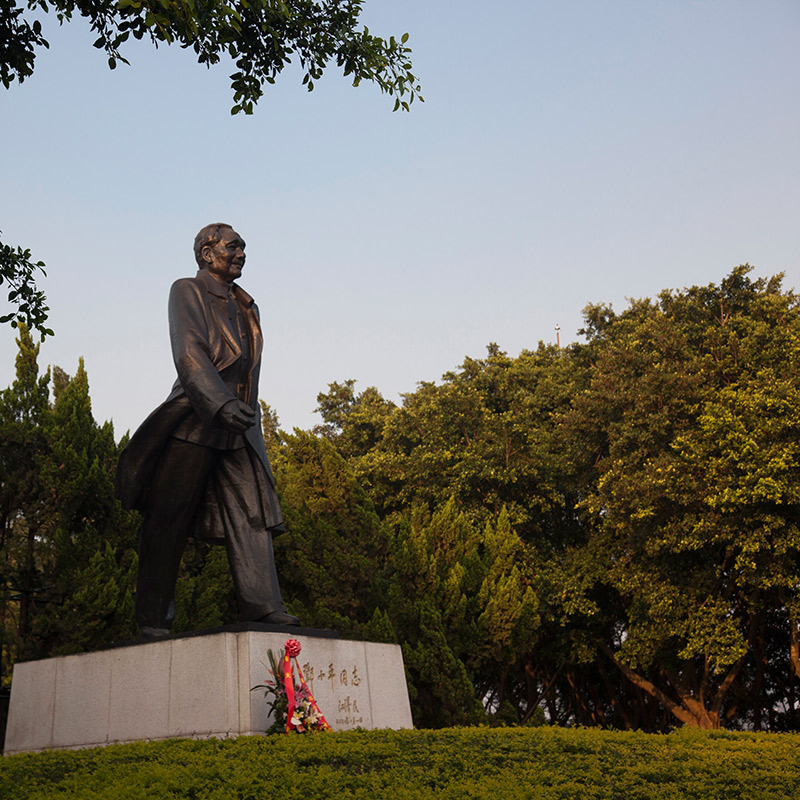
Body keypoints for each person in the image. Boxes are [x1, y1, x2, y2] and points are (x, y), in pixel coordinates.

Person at [115, 223, 300, 637]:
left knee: (252, 514)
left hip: (239, 425)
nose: (241, 253)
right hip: (197, 419)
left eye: (243, 247)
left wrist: (242, 410)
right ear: (206, 253)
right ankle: (152, 617)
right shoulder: (187, 290)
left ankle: (265, 605)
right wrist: (218, 403)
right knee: (168, 521)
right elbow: (189, 351)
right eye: (233, 246)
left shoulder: (248, 304)